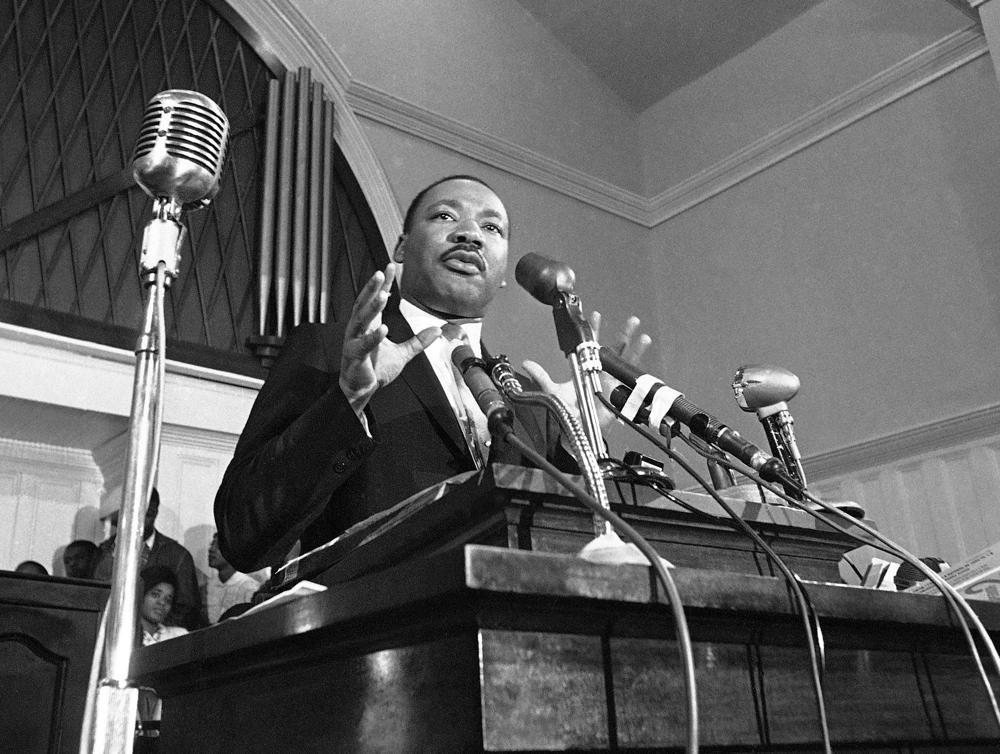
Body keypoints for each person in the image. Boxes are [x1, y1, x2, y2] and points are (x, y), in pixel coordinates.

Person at [216, 175, 648, 572]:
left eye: (492, 228)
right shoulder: (330, 352)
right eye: (445, 216)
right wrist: (347, 401)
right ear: (401, 248)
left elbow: (575, 548)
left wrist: (581, 440)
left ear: (502, 273)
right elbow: (243, 536)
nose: (470, 234)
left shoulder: (532, 403)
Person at [94, 488, 204, 629]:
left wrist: (152, 632)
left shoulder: (177, 556)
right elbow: (93, 596)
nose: (139, 519)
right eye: (133, 511)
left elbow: (187, 609)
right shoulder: (106, 550)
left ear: (154, 512)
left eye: (147, 513)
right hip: (109, 633)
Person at [206, 531, 259, 623]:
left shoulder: (249, 588)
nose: (211, 550)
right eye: (211, 545)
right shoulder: (207, 586)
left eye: (218, 547)